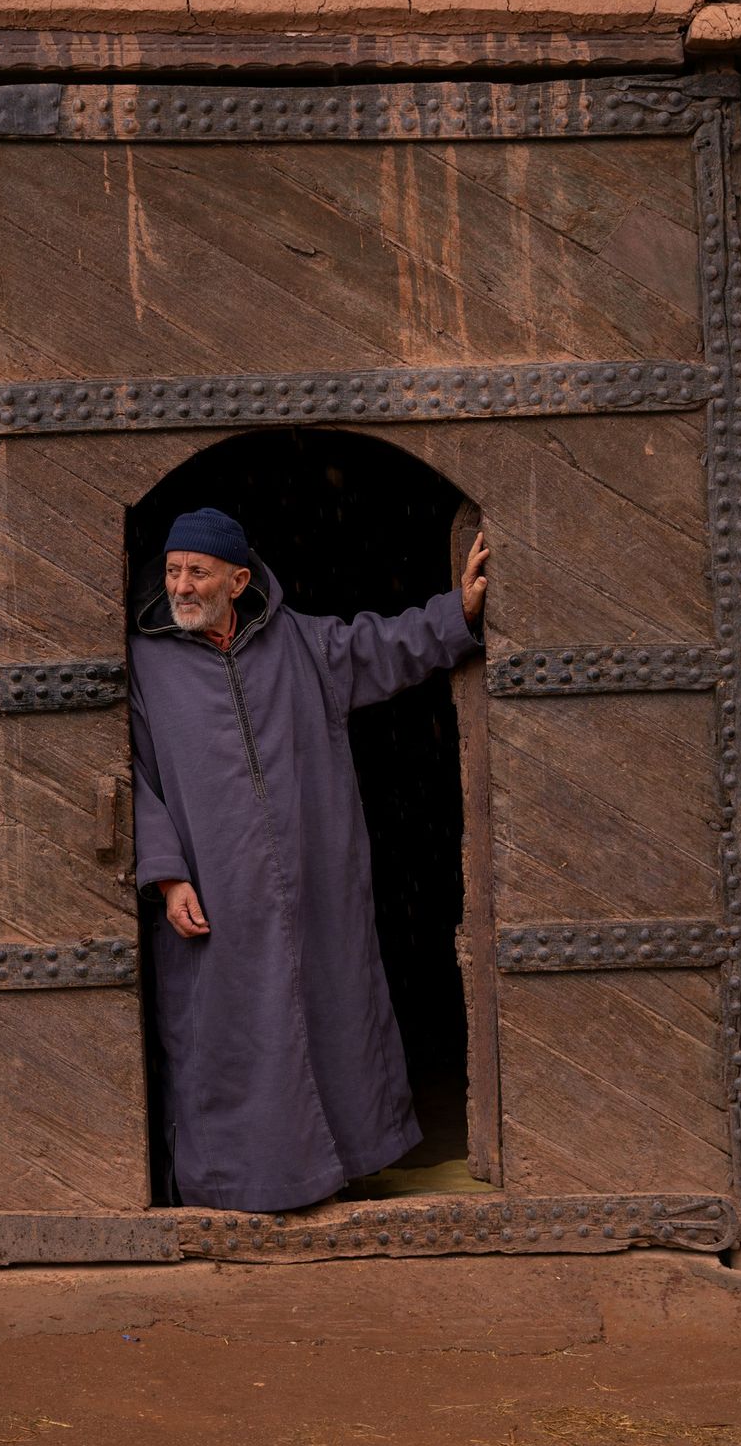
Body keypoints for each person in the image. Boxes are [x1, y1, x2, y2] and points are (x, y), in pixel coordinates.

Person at [129, 504, 489, 1213]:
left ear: (238, 580)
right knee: (224, 1042)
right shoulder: (146, 663)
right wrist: (167, 876)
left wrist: (461, 612)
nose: (182, 586)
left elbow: (384, 647)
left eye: (198, 573)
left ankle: (337, 1168)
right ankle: (229, 1185)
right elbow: (134, 776)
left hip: (313, 883)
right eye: (173, 572)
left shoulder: (297, 644)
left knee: (328, 1016)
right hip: (212, 891)